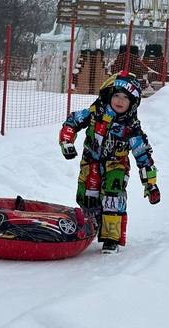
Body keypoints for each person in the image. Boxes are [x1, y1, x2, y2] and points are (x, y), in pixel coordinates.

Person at [58, 71, 159, 254]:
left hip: (116, 166)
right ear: (109, 95)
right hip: (90, 162)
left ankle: (111, 239)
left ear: (132, 103)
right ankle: (91, 227)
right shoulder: (94, 112)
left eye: (125, 98)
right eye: (117, 96)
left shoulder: (131, 128)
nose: (120, 101)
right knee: (88, 195)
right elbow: (72, 122)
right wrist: (66, 141)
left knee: (113, 196)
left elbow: (143, 156)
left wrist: (150, 185)